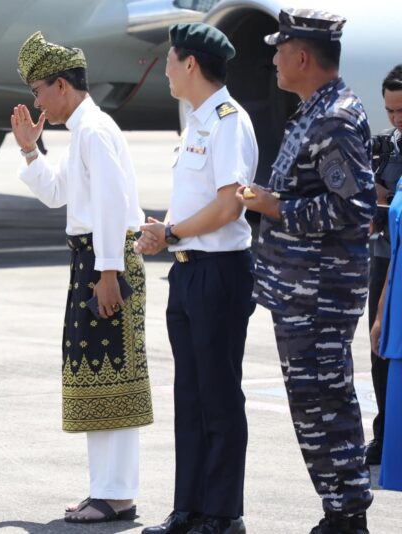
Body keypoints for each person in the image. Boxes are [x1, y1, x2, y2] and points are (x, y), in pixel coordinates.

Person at [237, 8, 374, 533]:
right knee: (312, 404)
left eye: (279, 50)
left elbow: (355, 208)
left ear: (301, 57)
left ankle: (348, 515)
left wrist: (275, 207)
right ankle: (338, 511)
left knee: (325, 404)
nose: (273, 60)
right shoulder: (314, 111)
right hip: (302, 290)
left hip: (320, 292)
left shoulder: (334, 118)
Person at [11, 30, 153, 524]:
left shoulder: (93, 130)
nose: (36, 101)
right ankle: (106, 491)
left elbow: (113, 205)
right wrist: (30, 150)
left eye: (38, 90)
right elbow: (57, 194)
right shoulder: (83, 131)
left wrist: (108, 271)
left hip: (104, 261)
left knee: (114, 374)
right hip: (92, 261)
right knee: (96, 373)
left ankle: (117, 494)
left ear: (61, 85)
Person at [136, 23, 256, 534]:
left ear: (190, 64)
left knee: (219, 397)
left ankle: (223, 514)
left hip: (219, 272)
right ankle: (189, 508)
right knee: (190, 397)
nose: (163, 69)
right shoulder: (197, 120)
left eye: (168, 60)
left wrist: (171, 232)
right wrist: (163, 233)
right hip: (187, 271)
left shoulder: (229, 121)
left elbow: (230, 206)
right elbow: (195, 200)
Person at [365, 64, 402, 466]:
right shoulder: (381, 148)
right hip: (385, 256)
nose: (395, 119)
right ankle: (385, 432)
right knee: (379, 345)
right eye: (390, 111)